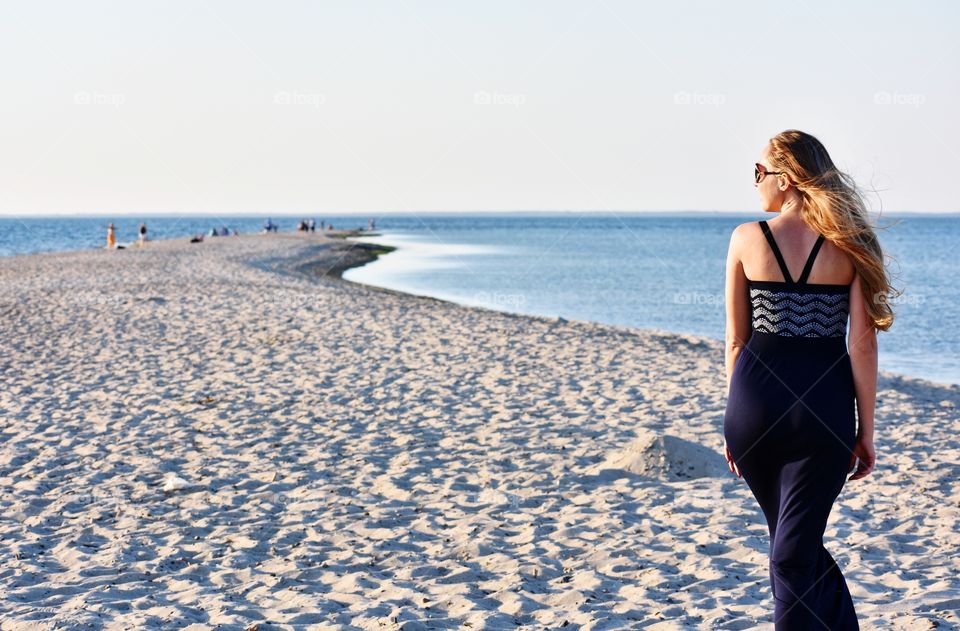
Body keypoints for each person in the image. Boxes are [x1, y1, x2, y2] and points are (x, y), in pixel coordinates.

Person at [722, 130, 895, 629]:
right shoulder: (851, 243)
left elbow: (736, 341)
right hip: (824, 412)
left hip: (755, 410)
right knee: (793, 549)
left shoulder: (745, 239)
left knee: (791, 550)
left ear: (788, 178)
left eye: (758, 172)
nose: (754, 183)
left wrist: (735, 417)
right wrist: (865, 428)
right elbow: (861, 345)